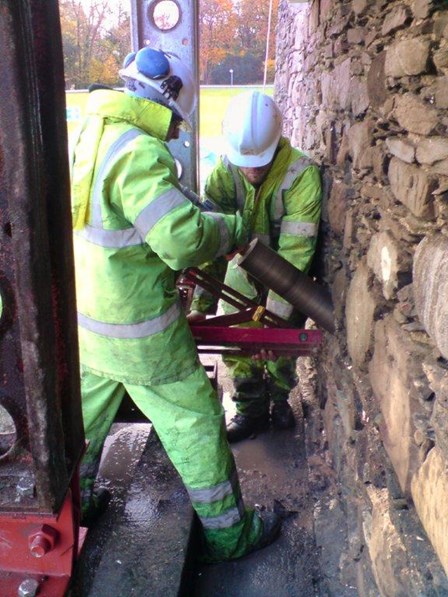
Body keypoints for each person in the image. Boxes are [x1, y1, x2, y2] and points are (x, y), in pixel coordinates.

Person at [70, 47, 281, 562]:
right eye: (175, 121)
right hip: (139, 333)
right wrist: (229, 227)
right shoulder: (139, 150)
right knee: (198, 425)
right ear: (164, 101)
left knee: (81, 426)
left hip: (89, 323)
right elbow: (181, 242)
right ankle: (232, 536)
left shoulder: (89, 131)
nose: (175, 132)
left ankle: (75, 506)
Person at [188, 90, 322, 443]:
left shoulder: (301, 176)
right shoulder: (224, 172)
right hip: (241, 272)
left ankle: (279, 400)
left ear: (277, 143)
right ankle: (250, 409)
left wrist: (275, 325)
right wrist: (201, 308)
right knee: (239, 347)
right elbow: (210, 242)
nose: (250, 170)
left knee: (281, 350)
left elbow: (295, 253)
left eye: (259, 163)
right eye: (244, 163)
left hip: (287, 278)